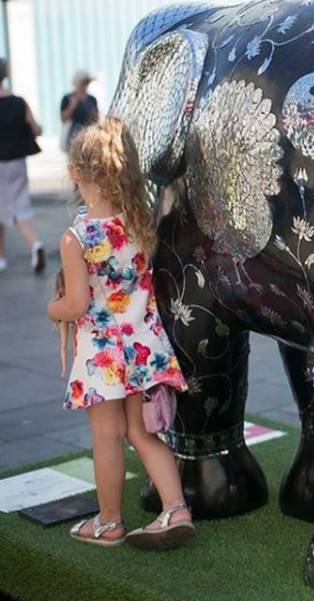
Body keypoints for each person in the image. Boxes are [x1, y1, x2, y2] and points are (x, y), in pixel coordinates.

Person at [47, 117, 194, 549]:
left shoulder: (77, 238)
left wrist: (51, 308)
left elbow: (75, 305)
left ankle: (109, 522)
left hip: (104, 354)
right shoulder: (137, 220)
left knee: (106, 436)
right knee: (142, 432)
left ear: (75, 173)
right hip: (144, 343)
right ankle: (175, 508)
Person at [0, 58, 46, 273]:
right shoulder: (19, 102)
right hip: (18, 162)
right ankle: (34, 243)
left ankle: (2, 258)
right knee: (20, 205)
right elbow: (37, 130)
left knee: (3, 208)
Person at [60, 70, 99, 150]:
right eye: (83, 83)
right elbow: (63, 118)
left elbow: (96, 118)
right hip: (73, 134)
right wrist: (72, 105)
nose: (85, 86)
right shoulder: (68, 98)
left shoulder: (91, 99)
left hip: (88, 133)